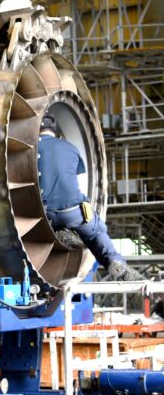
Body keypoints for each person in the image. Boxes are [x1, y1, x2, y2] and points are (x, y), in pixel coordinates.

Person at [37, 114, 143, 281]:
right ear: (55, 130)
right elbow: (75, 181)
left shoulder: (30, 150)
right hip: (72, 211)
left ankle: (61, 232)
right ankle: (114, 261)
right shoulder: (69, 147)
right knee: (95, 232)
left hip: (42, 215)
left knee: (56, 222)